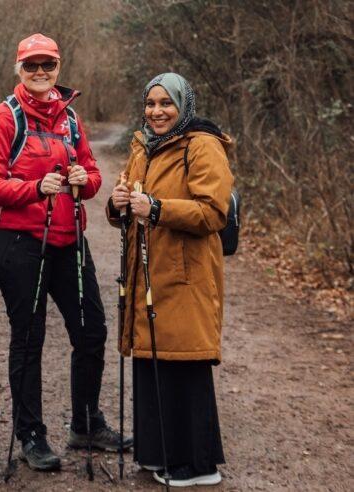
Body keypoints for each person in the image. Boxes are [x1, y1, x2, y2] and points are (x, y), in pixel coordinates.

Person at [0, 33, 133, 472]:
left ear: (59, 68)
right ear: (19, 70)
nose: (40, 73)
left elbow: (94, 176)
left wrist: (85, 178)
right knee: (29, 340)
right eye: (32, 66)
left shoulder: (71, 119)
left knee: (92, 331)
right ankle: (31, 434)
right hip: (19, 243)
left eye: (48, 65)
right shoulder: (3, 118)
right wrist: (32, 189)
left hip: (68, 239)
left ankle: (85, 424)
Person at [107, 72, 233, 487]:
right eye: (151, 103)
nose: (157, 112)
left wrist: (158, 208)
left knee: (184, 362)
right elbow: (130, 200)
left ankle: (196, 465)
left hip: (185, 275)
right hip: (146, 273)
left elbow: (213, 213)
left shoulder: (202, 145)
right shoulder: (144, 145)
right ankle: (156, 453)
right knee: (152, 360)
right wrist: (118, 203)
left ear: (184, 105)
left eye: (166, 104)